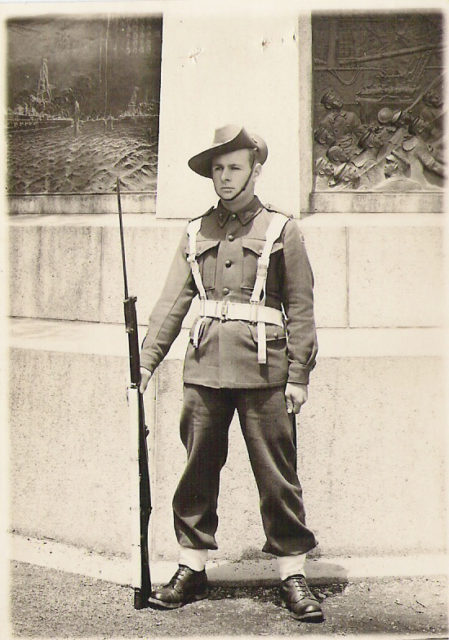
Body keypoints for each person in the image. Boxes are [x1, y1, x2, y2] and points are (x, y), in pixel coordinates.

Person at [139, 124, 323, 623]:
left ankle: (291, 571)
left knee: (277, 476)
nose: (224, 178)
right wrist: (145, 363)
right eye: (217, 169)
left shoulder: (283, 229)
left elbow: (302, 307)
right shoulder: (197, 231)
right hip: (204, 371)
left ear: (255, 170)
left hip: (265, 372)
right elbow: (172, 304)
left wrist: (299, 374)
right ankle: (192, 567)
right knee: (197, 470)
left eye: (234, 167)